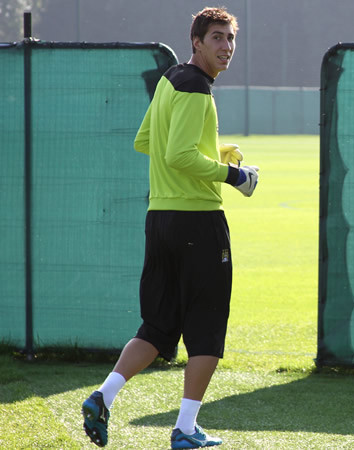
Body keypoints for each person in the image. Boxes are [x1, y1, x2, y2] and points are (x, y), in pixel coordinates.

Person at [81, 7, 258, 449]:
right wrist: (233, 175)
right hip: (198, 222)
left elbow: (148, 141)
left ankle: (103, 396)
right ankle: (184, 429)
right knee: (207, 327)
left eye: (231, 39)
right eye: (217, 37)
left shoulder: (171, 78)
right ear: (196, 41)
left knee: (158, 325)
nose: (226, 46)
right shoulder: (197, 87)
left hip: (160, 220)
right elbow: (178, 156)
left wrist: (214, 149)